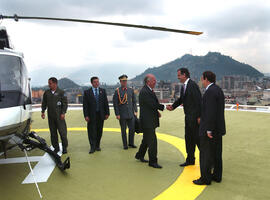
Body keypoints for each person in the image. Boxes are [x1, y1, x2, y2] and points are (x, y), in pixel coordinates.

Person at [193, 71, 226, 185]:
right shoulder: (218, 89)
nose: (201, 82)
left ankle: (205, 178)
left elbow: (210, 112)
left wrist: (208, 129)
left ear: (206, 79)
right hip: (218, 129)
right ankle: (217, 176)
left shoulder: (210, 92)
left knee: (206, 154)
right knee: (216, 153)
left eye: (202, 79)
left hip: (210, 130)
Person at [167, 68, 201, 167]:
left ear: (184, 75)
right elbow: (181, 99)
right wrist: (173, 106)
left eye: (179, 75)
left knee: (198, 140)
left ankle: (209, 162)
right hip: (188, 117)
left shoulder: (192, 85)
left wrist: (199, 116)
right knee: (189, 139)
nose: (178, 77)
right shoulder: (184, 86)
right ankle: (190, 160)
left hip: (195, 118)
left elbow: (199, 101)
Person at [135, 74, 164, 169]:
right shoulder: (145, 91)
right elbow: (152, 104)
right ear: (148, 82)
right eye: (153, 80)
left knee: (146, 140)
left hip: (149, 119)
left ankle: (139, 155)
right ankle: (153, 161)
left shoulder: (147, 90)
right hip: (148, 121)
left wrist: (156, 112)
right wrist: (162, 107)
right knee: (152, 141)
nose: (155, 82)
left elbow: (150, 105)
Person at [83, 76, 110, 154]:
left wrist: (107, 113)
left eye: (98, 82)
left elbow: (106, 103)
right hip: (91, 115)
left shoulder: (102, 91)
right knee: (91, 131)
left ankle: (97, 145)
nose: (97, 83)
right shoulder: (87, 92)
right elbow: (85, 105)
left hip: (101, 114)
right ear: (91, 83)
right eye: (95, 82)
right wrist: (86, 115)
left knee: (99, 130)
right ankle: (92, 147)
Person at [41, 77, 68, 154]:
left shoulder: (61, 92)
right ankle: (56, 147)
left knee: (63, 133)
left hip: (60, 116)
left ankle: (64, 147)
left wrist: (63, 113)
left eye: (50, 83)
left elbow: (65, 104)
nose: (49, 85)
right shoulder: (47, 93)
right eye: (48, 83)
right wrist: (43, 112)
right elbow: (44, 103)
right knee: (53, 133)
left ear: (55, 83)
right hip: (51, 116)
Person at [113, 74, 137, 150]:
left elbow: (134, 101)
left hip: (131, 113)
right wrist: (117, 114)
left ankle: (131, 143)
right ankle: (125, 144)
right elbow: (115, 104)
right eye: (123, 81)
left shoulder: (131, 90)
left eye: (126, 81)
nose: (125, 82)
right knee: (123, 130)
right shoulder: (117, 91)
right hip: (122, 114)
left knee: (132, 129)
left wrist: (135, 110)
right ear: (120, 81)